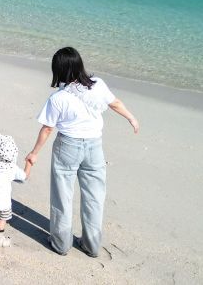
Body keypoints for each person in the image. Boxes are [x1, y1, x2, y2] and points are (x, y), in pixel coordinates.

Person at [25, 47, 139, 257]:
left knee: (62, 195)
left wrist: (34, 152)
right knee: (95, 197)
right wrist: (131, 118)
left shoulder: (58, 98)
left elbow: (48, 128)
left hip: (68, 146)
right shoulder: (98, 84)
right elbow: (115, 103)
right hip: (94, 147)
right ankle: (91, 244)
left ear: (59, 70)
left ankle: (61, 243)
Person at [0, 134, 32, 248]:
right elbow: (24, 176)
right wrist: (29, 164)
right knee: (2, 219)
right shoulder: (12, 169)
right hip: (4, 202)